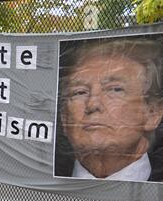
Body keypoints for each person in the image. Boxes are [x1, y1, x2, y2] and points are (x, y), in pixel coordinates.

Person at [56, 38, 163, 181]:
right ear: (64, 117)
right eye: (80, 92)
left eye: (115, 89)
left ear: (152, 113)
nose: (93, 104)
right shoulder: (38, 184)